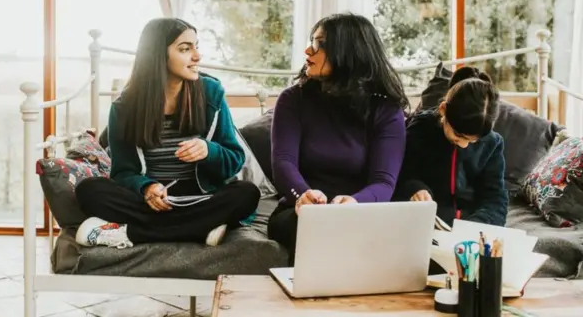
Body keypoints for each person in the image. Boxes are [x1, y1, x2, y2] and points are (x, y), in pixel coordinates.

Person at [74, 18, 260, 249]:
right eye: (185, 49)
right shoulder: (125, 107)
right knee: (88, 190)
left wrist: (209, 151)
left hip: (199, 197)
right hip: (151, 201)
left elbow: (234, 160)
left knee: (246, 193)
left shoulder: (211, 94)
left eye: (196, 46)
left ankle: (132, 233)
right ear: (157, 55)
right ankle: (200, 228)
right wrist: (147, 187)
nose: (197, 56)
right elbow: (122, 172)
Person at [267, 13, 409, 264]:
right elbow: (283, 162)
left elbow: (384, 182)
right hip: (300, 211)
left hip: (362, 213)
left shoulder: (385, 110)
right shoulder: (293, 99)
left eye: (320, 44)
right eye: (312, 41)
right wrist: (303, 195)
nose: (308, 50)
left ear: (348, 53)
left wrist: (355, 202)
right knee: (317, 230)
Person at [393, 66, 508, 227]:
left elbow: (495, 198)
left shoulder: (492, 143)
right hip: (427, 221)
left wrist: (477, 225)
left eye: (473, 140)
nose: (463, 144)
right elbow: (402, 174)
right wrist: (415, 189)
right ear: (443, 110)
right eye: (458, 135)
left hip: (471, 227)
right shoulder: (420, 129)